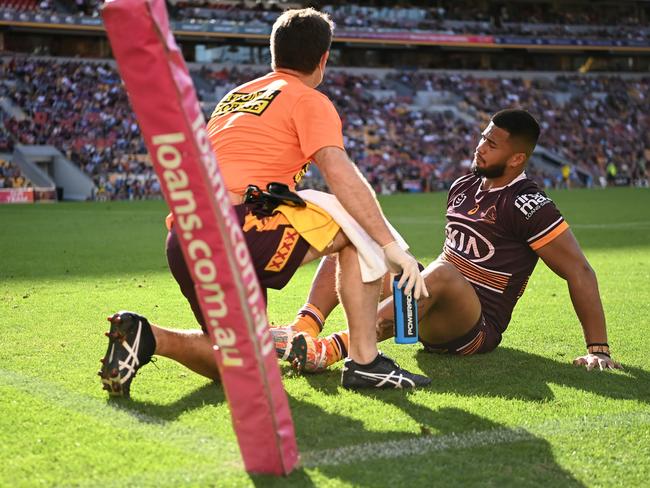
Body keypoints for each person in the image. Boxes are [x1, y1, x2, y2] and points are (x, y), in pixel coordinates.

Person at [99, 8, 430, 397]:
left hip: (186, 238)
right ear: (323, 59)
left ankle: (150, 337)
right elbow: (338, 171)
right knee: (357, 229)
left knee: (246, 363)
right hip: (239, 229)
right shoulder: (307, 98)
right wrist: (392, 248)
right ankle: (364, 361)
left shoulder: (234, 97)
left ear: (274, 54)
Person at [273, 109, 621, 374]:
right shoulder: (464, 185)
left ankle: (331, 350)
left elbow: (579, 270)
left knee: (442, 273)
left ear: (517, 159)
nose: (480, 148)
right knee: (355, 242)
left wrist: (598, 349)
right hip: (432, 297)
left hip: (475, 328)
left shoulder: (528, 204)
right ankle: (303, 327)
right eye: (483, 138)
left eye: (492, 144)